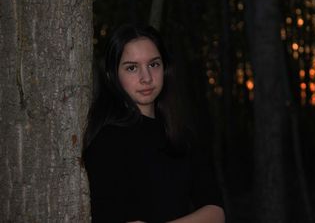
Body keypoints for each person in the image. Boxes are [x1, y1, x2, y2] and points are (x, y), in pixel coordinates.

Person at [82, 24, 225, 223]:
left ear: (165, 68)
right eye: (132, 68)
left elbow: (216, 212)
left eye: (153, 64)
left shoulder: (181, 135)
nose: (146, 78)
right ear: (112, 75)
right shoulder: (106, 141)